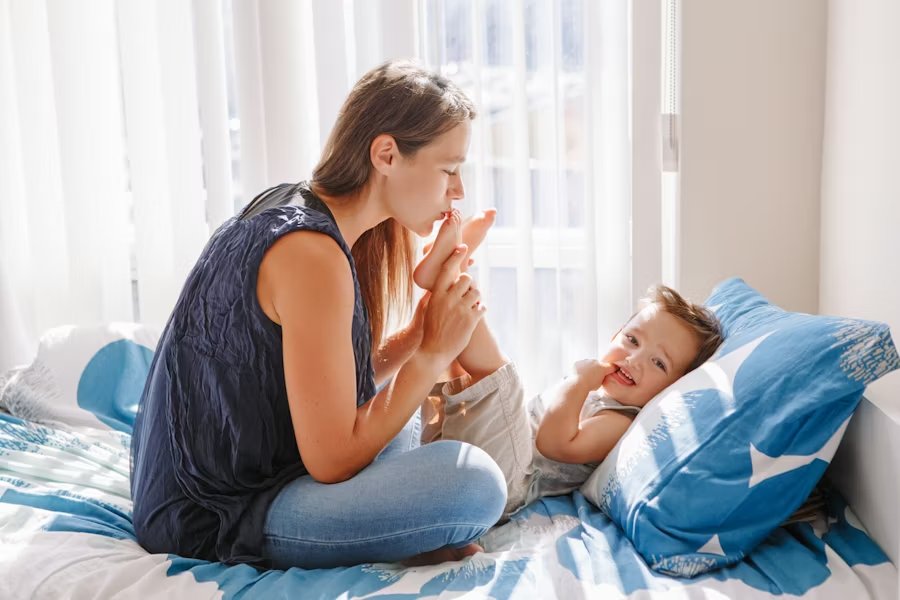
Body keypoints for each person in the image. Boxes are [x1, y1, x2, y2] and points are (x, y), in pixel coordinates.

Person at [130, 59, 509, 570]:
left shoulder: (300, 210)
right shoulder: (311, 253)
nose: (458, 191)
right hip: (216, 515)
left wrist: (418, 334)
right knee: (477, 485)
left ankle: (394, 532)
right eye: (449, 169)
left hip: (256, 473)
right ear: (386, 154)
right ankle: (396, 535)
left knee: (405, 424)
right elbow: (330, 459)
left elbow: (323, 390)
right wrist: (432, 354)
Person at [417, 216, 723, 519]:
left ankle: (449, 275)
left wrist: (577, 383)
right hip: (472, 448)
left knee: (501, 382)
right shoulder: (603, 391)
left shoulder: (620, 421)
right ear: (615, 334)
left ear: (672, 387)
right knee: (453, 359)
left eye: (658, 362)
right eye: (632, 339)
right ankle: (447, 277)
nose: (635, 359)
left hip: (508, 481)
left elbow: (553, 444)